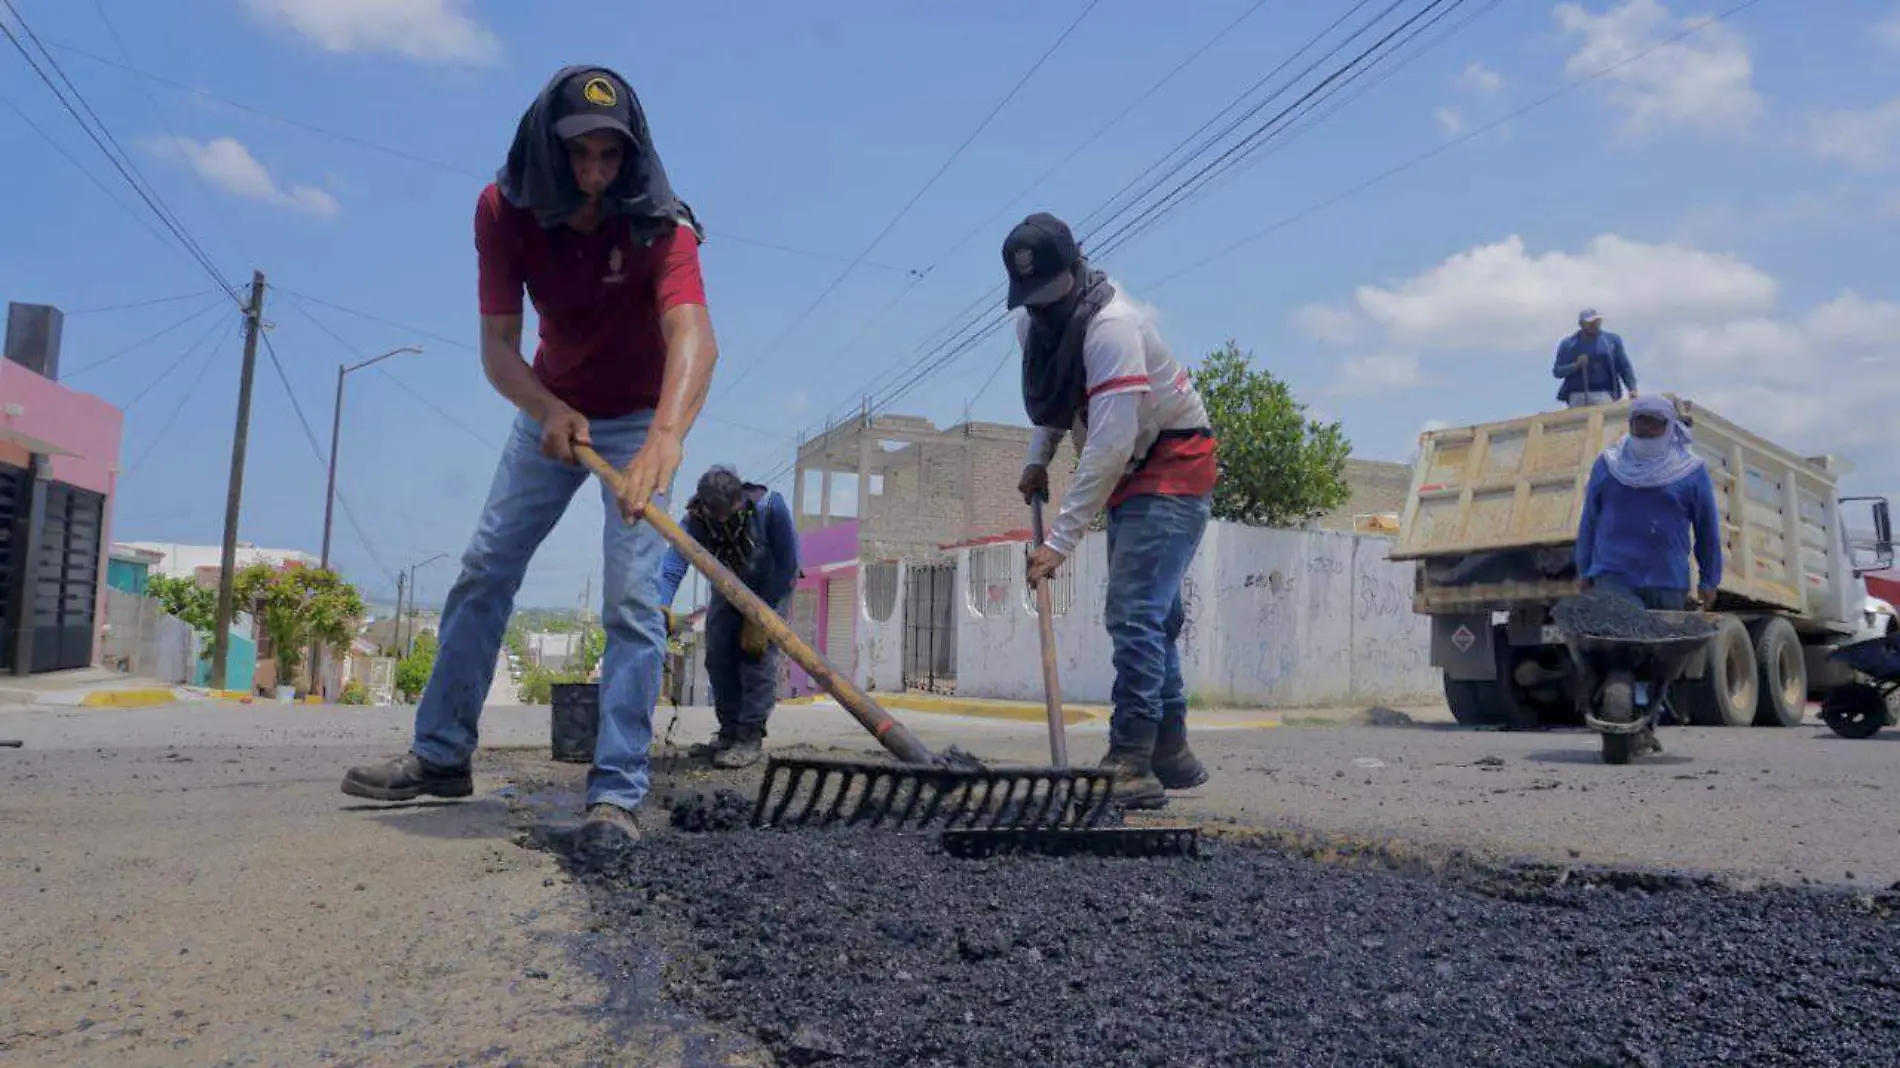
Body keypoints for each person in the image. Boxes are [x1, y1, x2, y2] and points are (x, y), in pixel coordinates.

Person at [340, 66, 719, 840]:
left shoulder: (660, 223)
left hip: (641, 421)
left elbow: (695, 336)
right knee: (486, 569)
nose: (593, 176)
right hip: (550, 409)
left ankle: (615, 790)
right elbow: (498, 350)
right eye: (579, 157)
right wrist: (548, 409)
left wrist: (665, 438)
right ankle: (441, 755)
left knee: (633, 602)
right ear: (547, 152)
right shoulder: (502, 211)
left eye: (610, 159)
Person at [1007, 212, 1219, 810]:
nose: (1042, 307)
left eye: (1051, 293)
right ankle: (1170, 751)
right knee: (1154, 616)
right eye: (1032, 298)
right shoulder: (1033, 328)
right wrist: (1037, 459)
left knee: (1133, 613)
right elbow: (1056, 402)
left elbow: (1109, 444)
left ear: (1075, 270)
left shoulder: (1112, 329)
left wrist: (1059, 543)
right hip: (1130, 471)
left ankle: (1132, 760)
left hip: (1171, 463)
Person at [1575, 396, 1722, 752]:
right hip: (1613, 575)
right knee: (1613, 648)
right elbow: (1589, 521)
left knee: (1660, 658)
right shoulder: (1608, 465)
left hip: (1666, 580)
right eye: (1640, 420)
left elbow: (1707, 528)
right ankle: (1605, 701)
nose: (1646, 428)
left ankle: (1649, 720)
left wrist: (1709, 579)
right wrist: (1583, 568)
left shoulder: (1690, 470)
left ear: (1670, 426)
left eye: (1655, 422)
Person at [656, 467, 800, 768]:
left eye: (731, 512)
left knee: (755, 658)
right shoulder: (694, 522)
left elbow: (788, 563)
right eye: (718, 514)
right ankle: (729, 732)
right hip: (727, 587)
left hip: (769, 587)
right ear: (705, 506)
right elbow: (672, 568)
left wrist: (762, 613)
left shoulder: (770, 507)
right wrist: (662, 606)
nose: (725, 519)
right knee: (719, 656)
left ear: (740, 498)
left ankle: (749, 737)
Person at [1553, 308, 1638, 408]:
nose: (1594, 325)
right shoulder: (1568, 344)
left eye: (1596, 321)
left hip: (1604, 392)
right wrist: (1575, 365)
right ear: (1581, 324)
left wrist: (1632, 388)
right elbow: (1557, 371)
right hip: (1577, 394)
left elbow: (1624, 367)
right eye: (1590, 323)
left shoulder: (1611, 341)